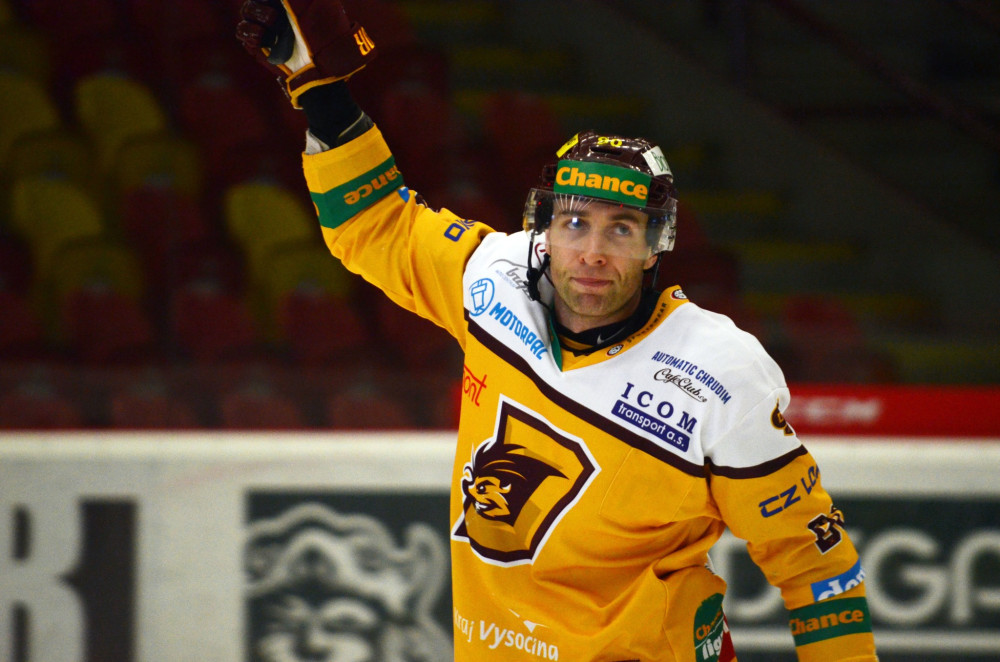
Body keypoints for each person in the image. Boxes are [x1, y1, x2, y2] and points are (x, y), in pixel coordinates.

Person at [237, 2, 879, 660]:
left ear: (655, 245)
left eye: (621, 229)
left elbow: (813, 561)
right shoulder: (492, 279)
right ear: (543, 228)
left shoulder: (721, 374)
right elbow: (375, 225)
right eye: (575, 224)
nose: (593, 253)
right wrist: (320, 91)